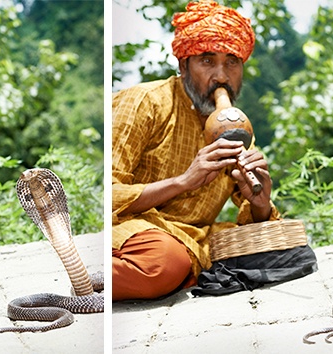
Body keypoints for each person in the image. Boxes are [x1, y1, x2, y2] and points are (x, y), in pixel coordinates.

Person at [113, 0, 298, 301]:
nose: (222, 77)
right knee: (164, 262)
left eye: (232, 62)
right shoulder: (144, 102)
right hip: (134, 233)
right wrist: (183, 181)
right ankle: (94, 276)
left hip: (193, 239)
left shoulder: (235, 127)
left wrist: (261, 203)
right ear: (183, 65)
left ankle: (180, 272)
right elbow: (108, 195)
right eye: (207, 61)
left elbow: (257, 218)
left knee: (284, 249)